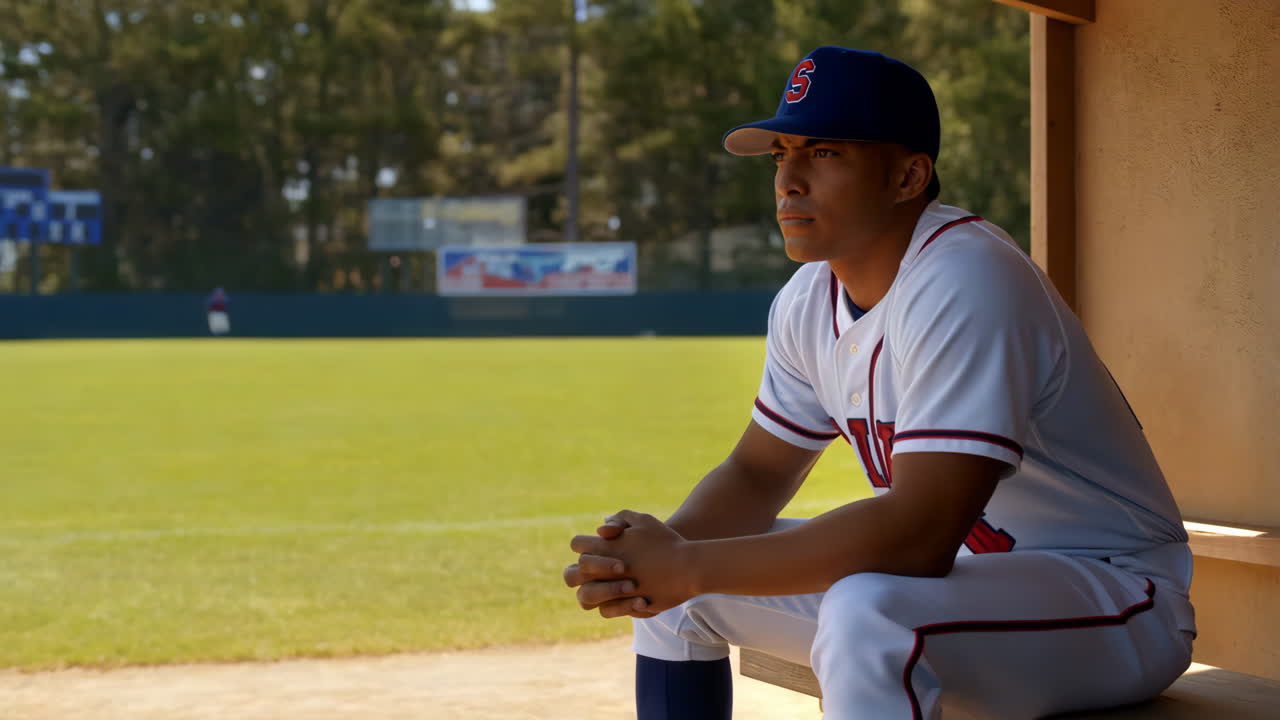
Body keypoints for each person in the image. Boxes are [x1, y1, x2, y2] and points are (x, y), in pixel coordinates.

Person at [562, 46, 1194, 720]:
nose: (789, 180)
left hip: (1112, 598)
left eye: (825, 152)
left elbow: (918, 535)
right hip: (967, 590)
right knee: (686, 597)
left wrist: (686, 564)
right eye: (781, 154)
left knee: (870, 612)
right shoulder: (809, 299)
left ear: (907, 177)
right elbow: (755, 474)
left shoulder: (969, 276)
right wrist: (653, 563)